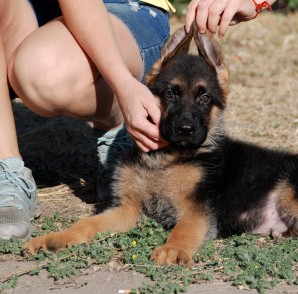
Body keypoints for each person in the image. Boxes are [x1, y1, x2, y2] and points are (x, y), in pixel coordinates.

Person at [0, 0, 274, 240]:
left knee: (44, 71)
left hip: (125, 8)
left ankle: (120, 118)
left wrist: (124, 86)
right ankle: (7, 166)